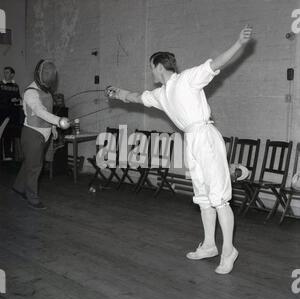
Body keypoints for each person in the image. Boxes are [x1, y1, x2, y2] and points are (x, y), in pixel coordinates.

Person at [106, 26, 253, 274]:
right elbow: (136, 97)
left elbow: (216, 64)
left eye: (152, 67)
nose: (151, 71)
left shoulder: (187, 78)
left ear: (160, 67)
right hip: (191, 140)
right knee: (204, 197)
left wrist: (239, 43)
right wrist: (117, 92)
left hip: (206, 136)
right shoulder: (161, 94)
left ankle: (229, 250)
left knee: (219, 198)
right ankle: (209, 245)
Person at [12, 60, 70, 210]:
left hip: (45, 133)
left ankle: (18, 187)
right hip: (33, 134)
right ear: (39, 73)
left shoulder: (45, 90)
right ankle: (32, 198)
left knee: (30, 162)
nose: (49, 76)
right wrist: (59, 121)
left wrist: (53, 128)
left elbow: (48, 111)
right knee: (35, 166)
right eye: (46, 73)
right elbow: (39, 111)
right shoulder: (31, 92)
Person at [0, 66, 22, 160]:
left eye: (7, 72)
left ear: (12, 74)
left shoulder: (16, 86)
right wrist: (10, 100)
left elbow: (18, 98)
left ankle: (9, 155)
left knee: (9, 134)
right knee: (1, 134)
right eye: (4, 72)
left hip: (12, 115)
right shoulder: (0, 85)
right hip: (2, 114)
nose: (5, 74)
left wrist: (17, 100)